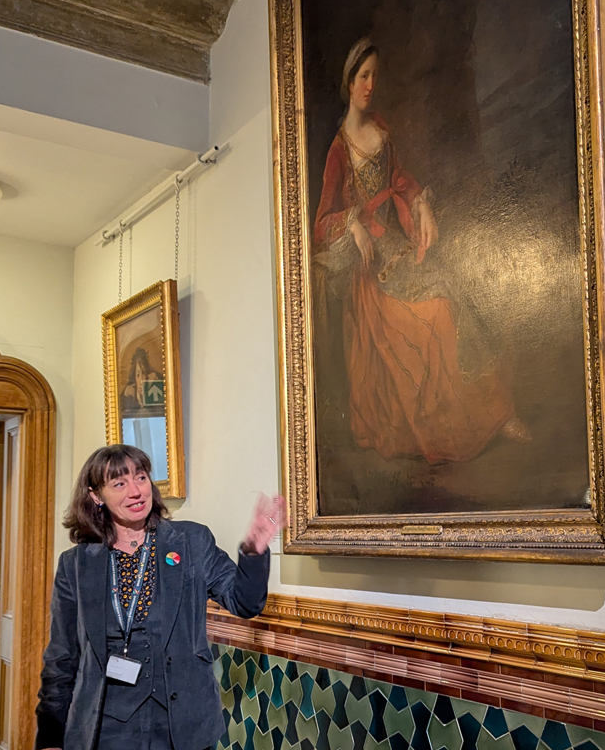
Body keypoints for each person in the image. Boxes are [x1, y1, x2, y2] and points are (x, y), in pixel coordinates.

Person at [312, 37, 530, 465]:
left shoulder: (382, 128)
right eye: (363, 76)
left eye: (375, 75)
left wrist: (420, 202)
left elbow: (400, 178)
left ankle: (497, 412)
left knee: (454, 291)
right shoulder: (339, 149)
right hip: (372, 271)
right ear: (348, 82)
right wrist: (351, 223)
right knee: (434, 316)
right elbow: (321, 221)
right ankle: (457, 421)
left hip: (398, 246)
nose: (370, 85)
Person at [34, 444, 284, 750]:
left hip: (181, 728)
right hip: (104, 729)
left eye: (140, 478)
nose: (136, 491)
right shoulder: (76, 564)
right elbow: (62, 656)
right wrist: (49, 737)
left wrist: (253, 552)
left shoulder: (191, 541)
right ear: (96, 496)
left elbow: (244, 603)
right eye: (119, 484)